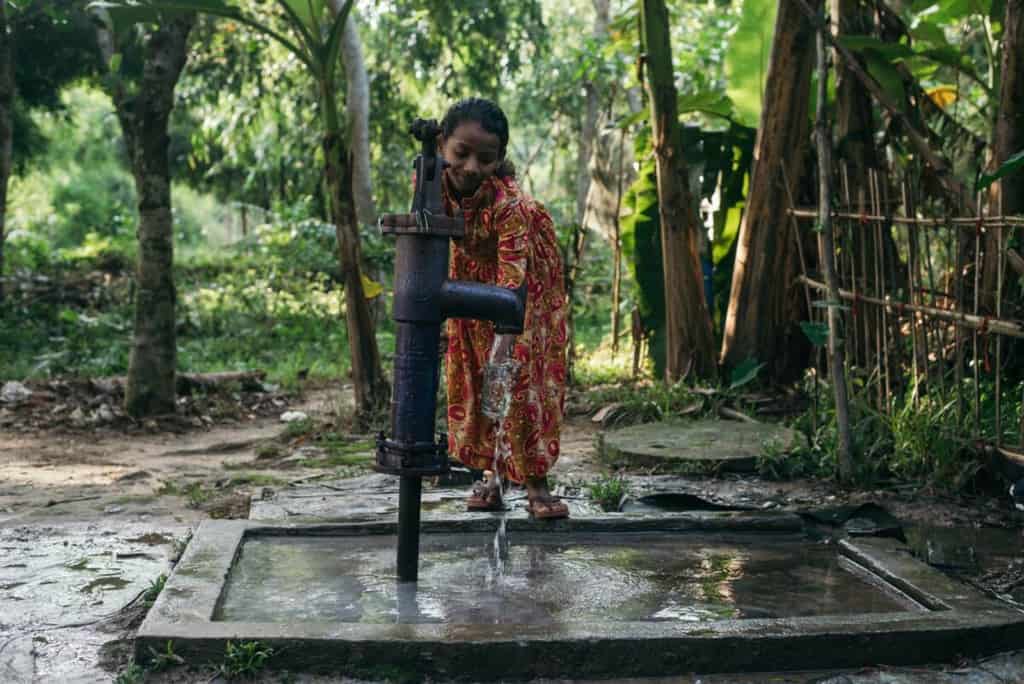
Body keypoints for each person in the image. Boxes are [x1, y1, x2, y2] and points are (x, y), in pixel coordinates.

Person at [438, 97, 569, 519]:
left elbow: (513, 282)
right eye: (462, 153)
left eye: (486, 158)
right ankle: (492, 476)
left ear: (500, 160)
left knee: (517, 375)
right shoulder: (431, 182)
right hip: (471, 275)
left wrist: (506, 334)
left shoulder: (509, 206)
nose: (472, 167)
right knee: (475, 373)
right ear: (442, 145)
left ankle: (535, 483)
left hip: (526, 279)